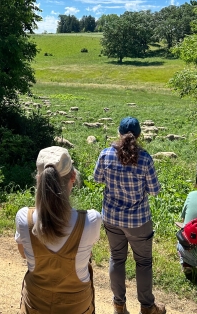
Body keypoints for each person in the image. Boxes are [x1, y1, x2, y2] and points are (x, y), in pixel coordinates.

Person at [15, 146, 101, 314]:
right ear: (73, 177)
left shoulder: (24, 217)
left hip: (36, 305)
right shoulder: (92, 220)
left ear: (39, 179)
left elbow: (23, 253)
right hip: (77, 307)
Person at [93, 117, 165, 314]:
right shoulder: (145, 159)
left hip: (112, 218)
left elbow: (97, 178)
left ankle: (119, 305)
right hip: (138, 221)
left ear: (119, 133)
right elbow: (154, 190)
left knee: (117, 259)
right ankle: (147, 307)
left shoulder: (106, 154)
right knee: (143, 262)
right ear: (139, 135)